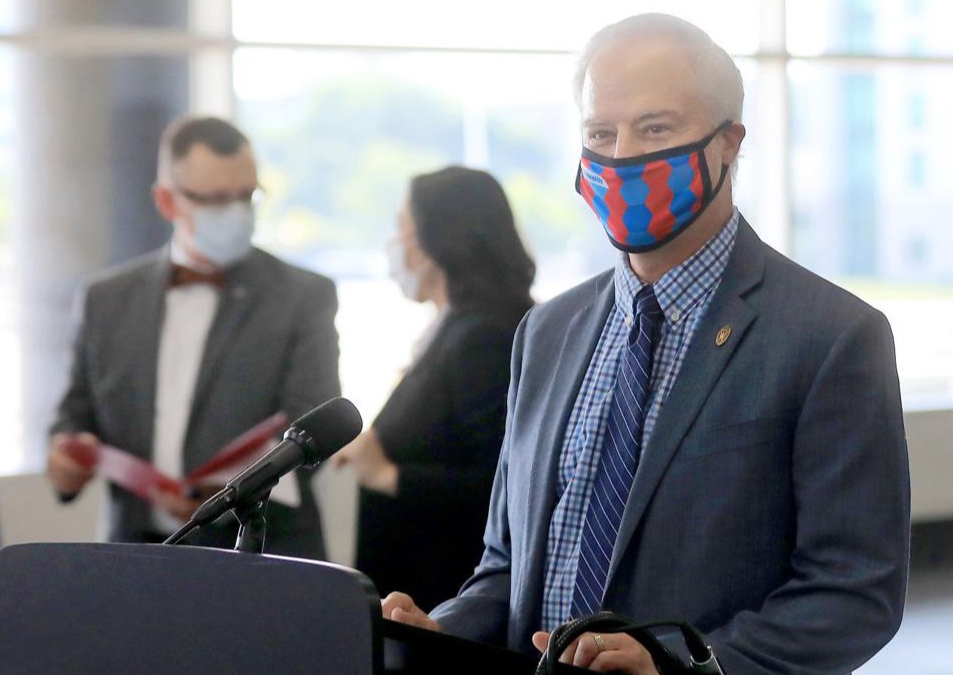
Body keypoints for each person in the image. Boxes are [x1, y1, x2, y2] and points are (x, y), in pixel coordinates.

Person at [382, 14, 909, 675]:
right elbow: (507, 567)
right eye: (601, 133)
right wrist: (439, 630)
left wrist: (687, 663)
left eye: (655, 129)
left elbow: (854, 590)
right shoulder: (547, 333)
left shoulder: (830, 336)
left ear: (728, 143)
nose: (622, 155)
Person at [46, 115, 340, 559]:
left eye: (247, 196)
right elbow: (74, 415)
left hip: (263, 557)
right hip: (138, 553)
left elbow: (314, 425)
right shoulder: (104, 299)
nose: (238, 213)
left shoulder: (303, 296)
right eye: (216, 200)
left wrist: (225, 494)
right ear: (166, 201)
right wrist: (67, 457)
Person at [332, 166, 534, 611]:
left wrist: (388, 476)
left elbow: (499, 488)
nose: (394, 244)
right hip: (421, 594)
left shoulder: (484, 340)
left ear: (438, 241)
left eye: (402, 228)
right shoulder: (451, 330)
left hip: (450, 605)